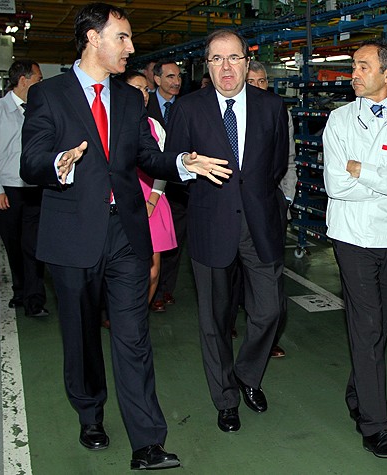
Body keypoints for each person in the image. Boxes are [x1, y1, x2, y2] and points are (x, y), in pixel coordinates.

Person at [20, 3, 230, 470]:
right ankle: (90, 413)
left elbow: (148, 157)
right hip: (73, 234)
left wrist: (182, 162)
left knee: (133, 338)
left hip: (126, 234)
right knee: (81, 337)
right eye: (122, 37)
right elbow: (30, 161)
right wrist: (58, 163)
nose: (131, 47)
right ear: (93, 38)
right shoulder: (48, 95)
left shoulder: (131, 99)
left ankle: (148, 442)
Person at [165, 29, 289, 434]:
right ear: (207, 66)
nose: (226, 67)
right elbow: (172, 163)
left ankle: (247, 374)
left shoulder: (272, 107)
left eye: (234, 57)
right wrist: (188, 166)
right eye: (217, 59)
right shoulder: (188, 108)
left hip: (260, 225)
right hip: (211, 224)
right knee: (214, 320)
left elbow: (276, 166)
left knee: (269, 310)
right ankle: (225, 398)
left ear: (247, 62)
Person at [323, 39, 387, 458]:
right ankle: (375, 427)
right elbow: (337, 185)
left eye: (363, 66)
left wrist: (363, 170)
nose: (354, 73)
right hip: (352, 236)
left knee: (377, 327)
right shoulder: (339, 121)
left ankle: (357, 395)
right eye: (353, 66)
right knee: (367, 327)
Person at [233, 59, 296, 358]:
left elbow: (288, 158)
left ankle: (268, 339)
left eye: (263, 82)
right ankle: (231, 321)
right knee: (235, 275)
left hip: (270, 205)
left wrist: (286, 199)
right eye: (252, 82)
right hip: (233, 210)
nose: (259, 87)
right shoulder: (233, 111)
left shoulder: (278, 110)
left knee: (270, 277)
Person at [0, 59, 48, 317]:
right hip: (7, 190)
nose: (41, 83)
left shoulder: (41, 109)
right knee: (14, 245)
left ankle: (34, 300)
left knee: (34, 246)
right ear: (23, 80)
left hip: (36, 188)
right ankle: (20, 291)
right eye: (38, 79)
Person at [123, 70, 177, 310]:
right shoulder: (112, 124)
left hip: (152, 200)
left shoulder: (154, 126)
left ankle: (138, 315)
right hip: (123, 202)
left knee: (152, 271)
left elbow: (163, 167)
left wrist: (152, 200)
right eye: (137, 89)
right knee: (125, 269)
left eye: (145, 89)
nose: (143, 94)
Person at [146, 59, 186, 313]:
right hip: (151, 184)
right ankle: (155, 292)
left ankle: (167, 287)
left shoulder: (186, 106)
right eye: (170, 76)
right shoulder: (144, 105)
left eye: (179, 76)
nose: (176, 81)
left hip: (179, 186)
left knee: (175, 241)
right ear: (157, 79)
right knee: (153, 244)